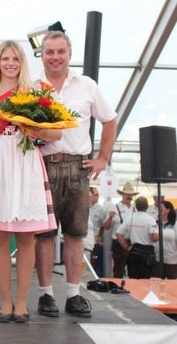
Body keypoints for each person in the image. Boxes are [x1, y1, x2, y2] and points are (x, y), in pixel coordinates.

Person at [27, 30, 117, 318]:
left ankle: (74, 295)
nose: (55, 57)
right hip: (42, 165)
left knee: (75, 234)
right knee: (43, 235)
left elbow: (110, 120)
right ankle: (45, 295)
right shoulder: (31, 87)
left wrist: (103, 158)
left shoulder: (87, 85)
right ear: (41, 54)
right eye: (49, 52)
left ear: (70, 53)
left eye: (60, 51)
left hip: (79, 167)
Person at [0, 41, 59, 323]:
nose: (10, 63)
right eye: (5, 58)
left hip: (25, 163)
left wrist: (37, 130)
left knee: (27, 236)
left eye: (15, 59)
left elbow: (55, 134)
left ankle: (22, 302)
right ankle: (5, 301)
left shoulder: (35, 93)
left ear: (22, 63)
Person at [116, 197, 159, 279]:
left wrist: (127, 247)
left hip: (134, 251)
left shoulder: (129, 218)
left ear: (135, 206)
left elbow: (118, 234)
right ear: (147, 207)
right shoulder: (150, 220)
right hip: (147, 252)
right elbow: (155, 238)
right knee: (146, 280)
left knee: (133, 278)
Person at [104, 182, 138, 278]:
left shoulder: (135, 208)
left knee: (133, 269)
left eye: (131, 195)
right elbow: (106, 227)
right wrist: (110, 218)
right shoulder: (115, 207)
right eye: (127, 194)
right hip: (118, 243)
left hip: (132, 242)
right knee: (118, 269)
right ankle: (116, 287)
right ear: (122, 195)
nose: (129, 196)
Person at [155, 201, 177, 280]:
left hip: (171, 260)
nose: (159, 210)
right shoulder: (156, 224)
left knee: (171, 284)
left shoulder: (176, 225)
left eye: (161, 208)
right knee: (158, 284)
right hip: (157, 260)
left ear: (168, 210)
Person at [88, 187, 105, 270]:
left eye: (98, 195)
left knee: (93, 258)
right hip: (82, 238)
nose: (98, 197)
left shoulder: (100, 208)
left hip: (94, 238)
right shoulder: (81, 206)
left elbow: (102, 224)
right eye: (96, 195)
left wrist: (100, 236)